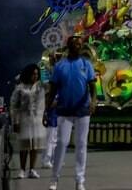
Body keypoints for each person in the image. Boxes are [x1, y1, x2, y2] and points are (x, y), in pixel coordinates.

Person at [46, 36, 97, 190]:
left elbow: (93, 86)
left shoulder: (86, 64)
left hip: (83, 110)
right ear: (68, 46)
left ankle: (80, 179)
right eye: (75, 43)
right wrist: (46, 110)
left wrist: (93, 101)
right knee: (61, 143)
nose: (78, 46)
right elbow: (53, 89)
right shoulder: (60, 66)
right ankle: (54, 179)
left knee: (81, 144)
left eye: (80, 44)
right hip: (64, 110)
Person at [10, 64, 47, 179]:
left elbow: (43, 103)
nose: (35, 76)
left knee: (34, 146)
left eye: (37, 74)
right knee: (24, 146)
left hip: (37, 119)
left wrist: (43, 116)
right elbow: (14, 106)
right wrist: (15, 121)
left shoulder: (40, 87)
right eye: (33, 74)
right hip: (24, 118)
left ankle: (32, 169)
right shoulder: (20, 88)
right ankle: (22, 169)